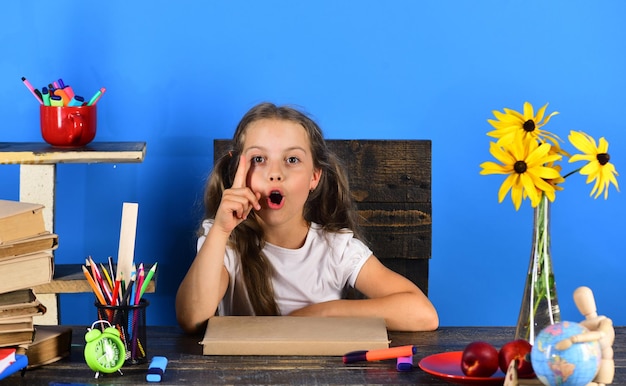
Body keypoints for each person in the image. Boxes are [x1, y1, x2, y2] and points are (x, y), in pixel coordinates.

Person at [175, 102, 438, 334]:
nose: (275, 173)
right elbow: (191, 317)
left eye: (291, 159)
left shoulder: (336, 248)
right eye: (259, 159)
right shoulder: (224, 243)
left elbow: (423, 314)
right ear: (238, 173)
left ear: (314, 177)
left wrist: (322, 312)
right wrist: (220, 231)